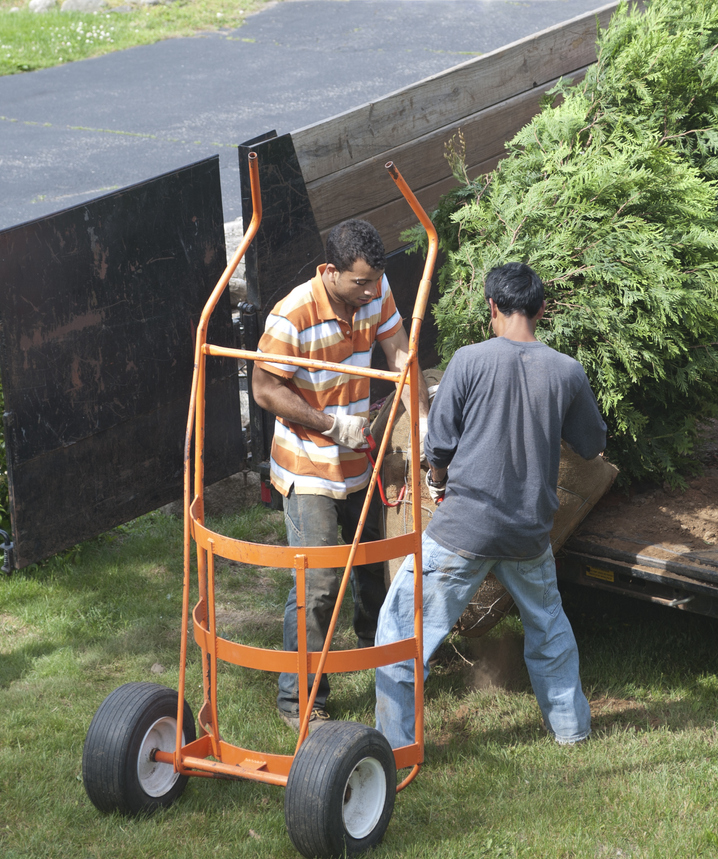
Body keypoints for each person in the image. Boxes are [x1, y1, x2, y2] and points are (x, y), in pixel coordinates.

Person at [374, 261, 607, 749]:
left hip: (465, 530)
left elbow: (438, 444)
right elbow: (590, 445)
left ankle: (393, 747)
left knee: (399, 630)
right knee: (550, 631)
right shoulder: (567, 371)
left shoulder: (467, 360)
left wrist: (437, 482)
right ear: (542, 309)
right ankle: (572, 730)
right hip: (529, 536)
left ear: (492, 308)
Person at [252, 218, 429, 730]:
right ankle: (300, 703)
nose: (371, 292)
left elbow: (402, 356)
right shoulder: (291, 316)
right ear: (328, 271)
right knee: (320, 584)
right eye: (360, 283)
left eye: (376, 280)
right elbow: (265, 390)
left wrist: (420, 428)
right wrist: (331, 424)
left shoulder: (376, 290)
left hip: (361, 461)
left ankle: (383, 668)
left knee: (375, 569)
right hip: (309, 467)